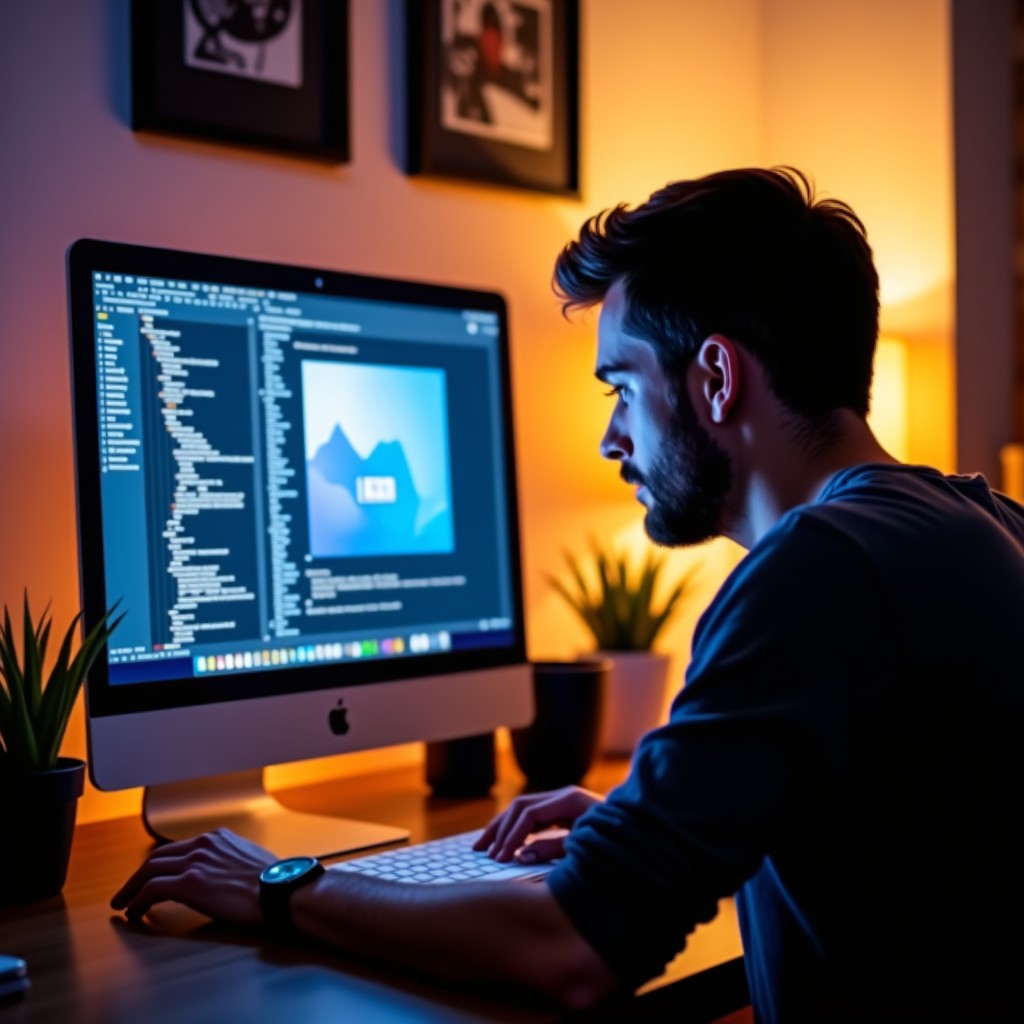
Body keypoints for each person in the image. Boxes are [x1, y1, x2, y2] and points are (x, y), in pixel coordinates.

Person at [111, 167, 1024, 1023]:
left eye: (621, 387)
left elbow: (572, 953)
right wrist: (648, 829)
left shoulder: (817, 571)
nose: (611, 438)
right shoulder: (979, 519)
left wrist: (286, 886)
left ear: (715, 376)